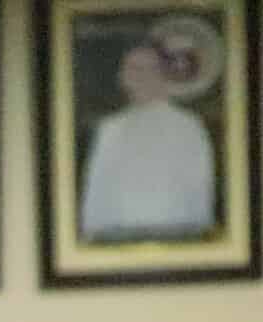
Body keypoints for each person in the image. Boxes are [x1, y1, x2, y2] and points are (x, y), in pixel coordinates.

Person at [79, 43, 215, 242]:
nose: (139, 76)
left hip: (176, 239)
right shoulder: (109, 129)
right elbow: (96, 192)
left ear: (164, 75)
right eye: (132, 69)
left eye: (148, 69)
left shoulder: (189, 127)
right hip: (117, 241)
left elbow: (199, 192)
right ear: (122, 77)